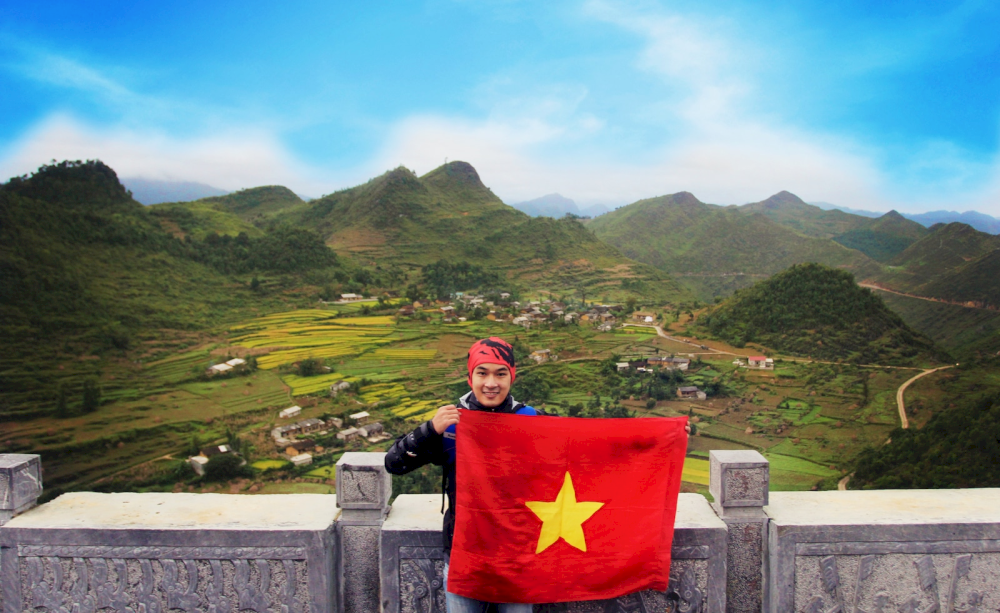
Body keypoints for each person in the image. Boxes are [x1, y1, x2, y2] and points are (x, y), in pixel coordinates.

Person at [384, 336, 690, 612]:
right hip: (465, 555)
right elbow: (395, 463)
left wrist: (664, 436)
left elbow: (587, 446)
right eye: (482, 373)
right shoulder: (452, 425)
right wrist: (429, 430)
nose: (491, 383)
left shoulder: (530, 420)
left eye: (500, 374)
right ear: (470, 377)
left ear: (512, 377)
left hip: (520, 557)